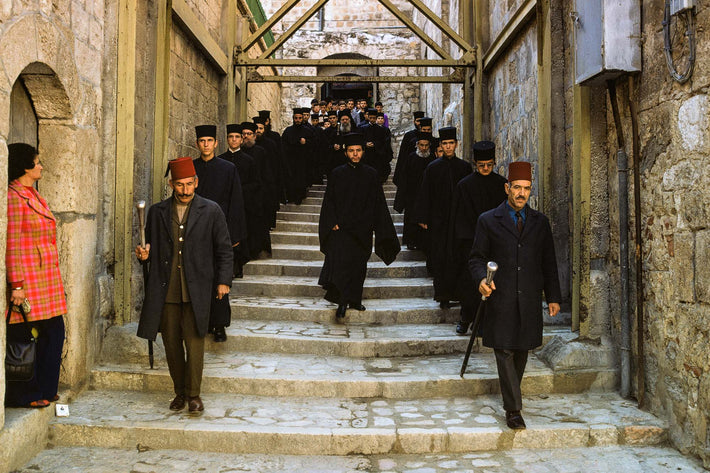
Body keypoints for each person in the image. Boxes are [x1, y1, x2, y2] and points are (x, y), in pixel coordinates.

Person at [469, 161, 561, 430]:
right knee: (505, 350)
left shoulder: (540, 223)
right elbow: (476, 259)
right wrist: (480, 282)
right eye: (517, 188)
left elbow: (549, 262)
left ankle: (512, 396)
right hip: (501, 297)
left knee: (522, 349)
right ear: (507, 188)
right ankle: (513, 409)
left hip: (529, 297)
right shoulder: (488, 220)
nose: (521, 193)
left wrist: (553, 296)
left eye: (527, 189)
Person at [136, 157, 233, 413]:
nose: (185, 190)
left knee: (195, 342)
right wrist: (144, 254)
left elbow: (224, 249)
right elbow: (150, 248)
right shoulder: (157, 212)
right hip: (167, 290)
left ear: (196, 183)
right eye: (180, 185)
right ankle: (179, 392)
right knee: (171, 345)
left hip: (197, 289)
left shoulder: (211, 211)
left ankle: (194, 394)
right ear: (171, 184)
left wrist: (223, 281)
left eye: (189, 184)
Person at [5, 143, 67, 408]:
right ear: (25, 167)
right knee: (28, 337)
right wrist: (16, 285)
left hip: (45, 279)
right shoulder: (13, 197)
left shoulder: (33, 194)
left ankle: (46, 387)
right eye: (37, 162)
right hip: (29, 280)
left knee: (53, 333)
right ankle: (27, 394)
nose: (41, 166)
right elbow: (12, 243)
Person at [318, 133, 400, 320]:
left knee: (359, 266)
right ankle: (342, 302)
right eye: (351, 151)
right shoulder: (337, 173)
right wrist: (332, 223)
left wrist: (377, 226)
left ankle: (355, 299)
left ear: (363, 152)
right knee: (343, 265)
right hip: (343, 229)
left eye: (358, 151)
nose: (355, 154)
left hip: (363, 229)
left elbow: (378, 203)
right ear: (346, 153)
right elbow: (329, 201)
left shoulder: (371, 174)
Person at [192, 125, 247, 342]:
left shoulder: (227, 168)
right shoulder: (191, 167)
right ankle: (201, 322)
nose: (205, 144)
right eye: (202, 141)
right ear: (197, 144)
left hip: (219, 232)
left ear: (216, 143)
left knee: (219, 279)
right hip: (194, 233)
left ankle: (219, 324)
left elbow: (236, 202)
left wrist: (234, 236)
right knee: (197, 279)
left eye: (209, 141)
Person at [450, 141, 507, 335]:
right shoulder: (464, 186)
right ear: (475, 164)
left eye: (489, 165)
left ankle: (484, 323)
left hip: (495, 243)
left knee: (492, 285)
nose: (485, 168)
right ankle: (466, 319)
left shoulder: (501, 185)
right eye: (481, 165)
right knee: (470, 283)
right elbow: (458, 216)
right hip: (471, 242)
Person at [414, 126, 472, 308]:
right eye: (445, 144)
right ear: (440, 145)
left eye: (451, 143)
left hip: (459, 222)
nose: (448, 147)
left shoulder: (464, 167)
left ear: (456, 144)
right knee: (440, 258)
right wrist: (423, 218)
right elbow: (425, 194)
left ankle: (459, 294)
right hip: (438, 222)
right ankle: (443, 296)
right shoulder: (432, 168)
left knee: (459, 257)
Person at [218, 124, 263, 275]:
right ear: (227, 139)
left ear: (241, 139)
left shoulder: (249, 160)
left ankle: (237, 268)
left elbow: (256, 182)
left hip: (242, 204)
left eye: (237, 137)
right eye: (231, 137)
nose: (234, 140)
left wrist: (239, 191)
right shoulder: (220, 160)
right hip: (223, 205)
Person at [393, 131, 435, 251]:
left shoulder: (432, 158)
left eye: (426, 145)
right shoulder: (411, 158)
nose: (424, 148)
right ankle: (410, 241)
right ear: (417, 145)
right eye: (421, 145)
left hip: (427, 196)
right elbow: (404, 178)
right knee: (411, 219)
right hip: (412, 195)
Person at [281, 108, 315, 204]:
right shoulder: (288, 131)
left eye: (300, 118)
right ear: (293, 118)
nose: (298, 120)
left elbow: (314, 145)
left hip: (303, 161)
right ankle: (291, 197)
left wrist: (306, 142)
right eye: (296, 118)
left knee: (301, 180)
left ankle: (300, 197)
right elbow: (283, 145)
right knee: (291, 179)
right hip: (290, 160)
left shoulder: (308, 131)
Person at [393, 111, 425, 187]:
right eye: (417, 121)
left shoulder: (427, 135)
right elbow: (403, 155)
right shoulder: (409, 136)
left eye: (421, 121)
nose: (419, 123)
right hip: (411, 171)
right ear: (414, 121)